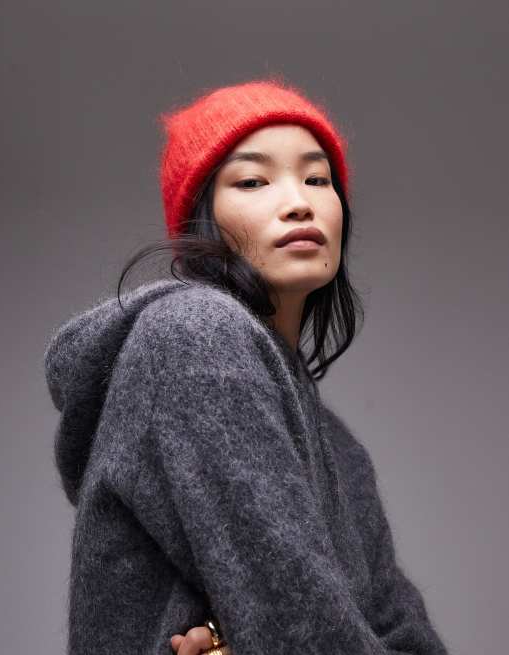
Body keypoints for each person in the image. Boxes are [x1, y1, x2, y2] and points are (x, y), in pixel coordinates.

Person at [44, 77, 451, 655]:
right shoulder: (194, 338)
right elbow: (298, 626)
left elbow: (409, 639)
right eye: (253, 181)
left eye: (317, 179)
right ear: (201, 220)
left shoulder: (340, 449)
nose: (299, 202)